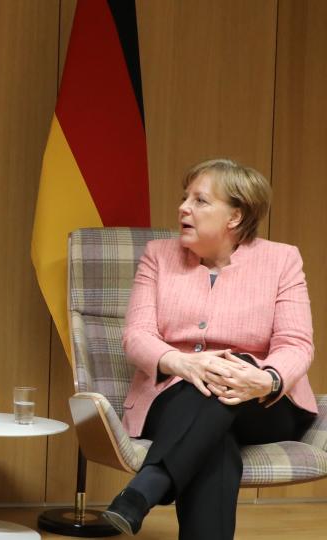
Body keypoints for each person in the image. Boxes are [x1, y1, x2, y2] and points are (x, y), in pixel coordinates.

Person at [101, 158, 317, 539]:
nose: (183, 207)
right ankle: (144, 490)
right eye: (185, 198)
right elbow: (137, 336)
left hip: (263, 403)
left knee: (228, 375)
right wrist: (183, 363)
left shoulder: (282, 260)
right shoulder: (158, 255)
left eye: (200, 201)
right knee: (215, 442)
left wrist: (264, 378)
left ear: (235, 216)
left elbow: (295, 343)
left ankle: (147, 485)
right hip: (173, 396)